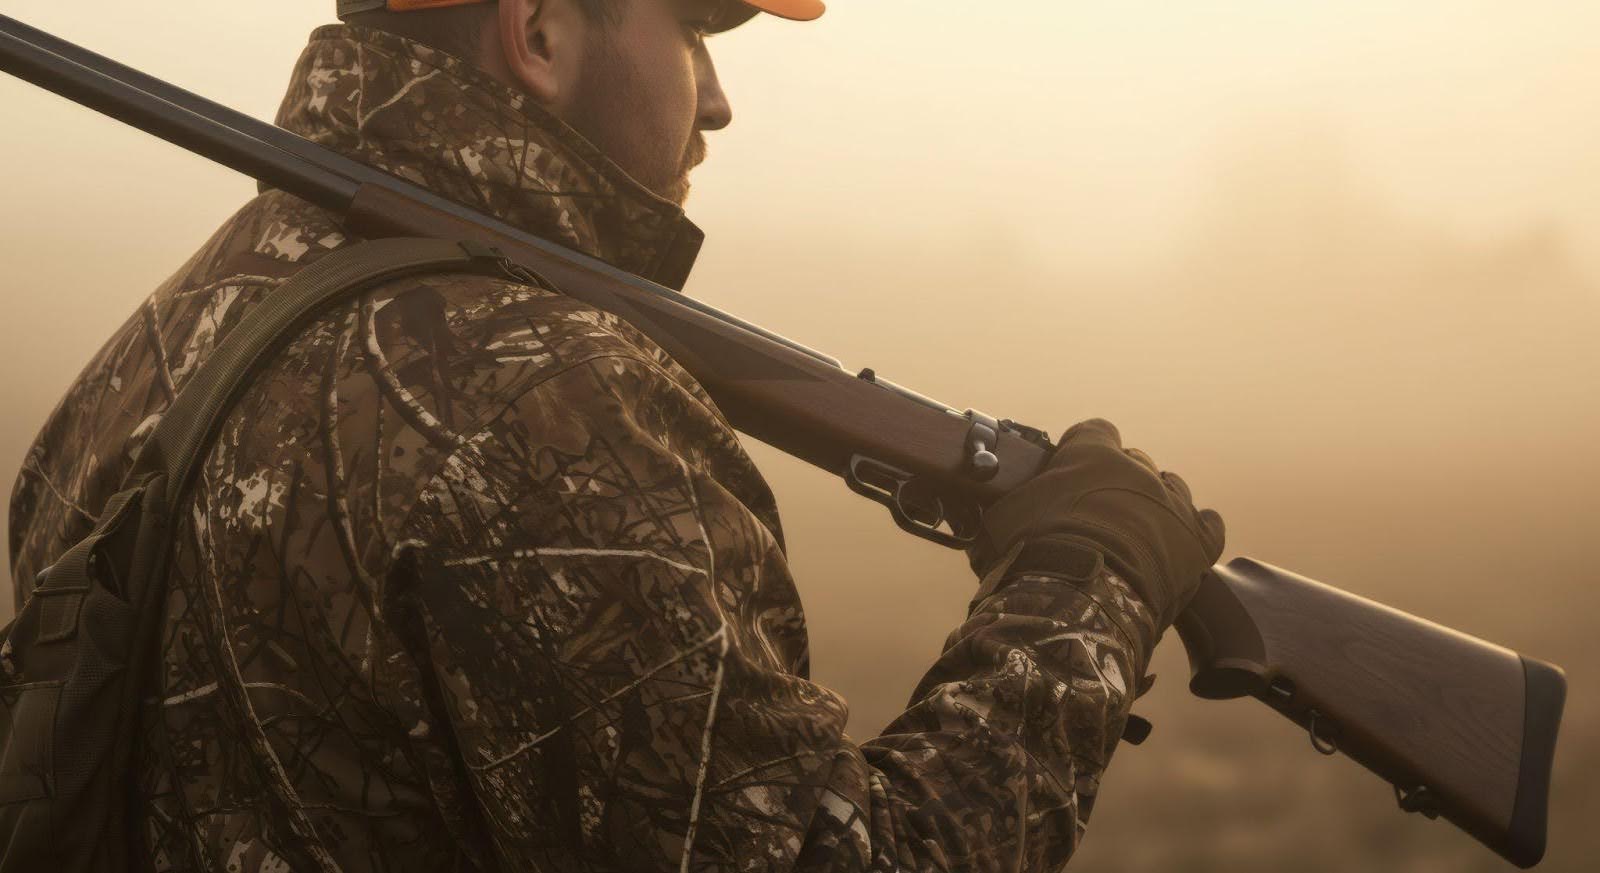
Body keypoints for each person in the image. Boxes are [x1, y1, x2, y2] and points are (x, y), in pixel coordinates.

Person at [6, 1, 1224, 870]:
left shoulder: (159, 344)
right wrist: (1083, 588)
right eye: (694, 28)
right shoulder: (550, 404)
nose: (721, 98)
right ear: (538, 33)